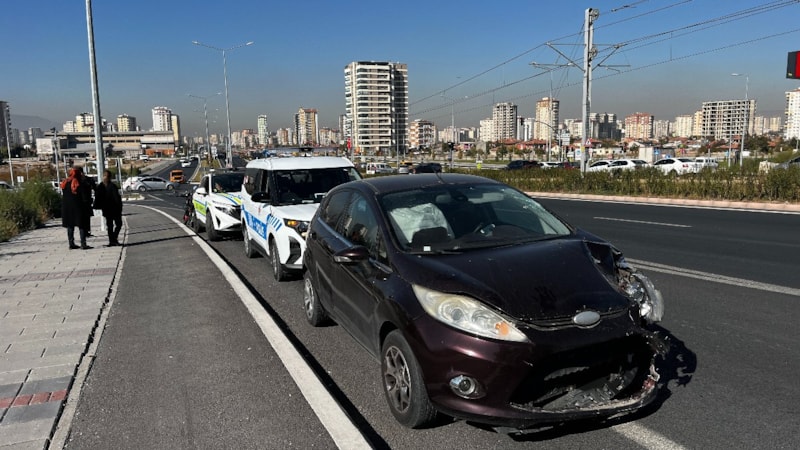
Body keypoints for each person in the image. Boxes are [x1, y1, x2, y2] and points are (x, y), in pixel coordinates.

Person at [60, 166, 93, 249]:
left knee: (70, 226)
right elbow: (84, 197)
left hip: (67, 208)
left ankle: (71, 243)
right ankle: (83, 244)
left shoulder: (65, 182)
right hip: (79, 208)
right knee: (82, 225)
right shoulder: (79, 183)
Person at [93, 169, 123, 247]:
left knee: (110, 225)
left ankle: (112, 240)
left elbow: (97, 198)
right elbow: (117, 198)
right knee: (117, 224)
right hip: (114, 209)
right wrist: (120, 207)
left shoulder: (101, 186)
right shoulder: (112, 186)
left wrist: (97, 206)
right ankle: (113, 239)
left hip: (107, 209)